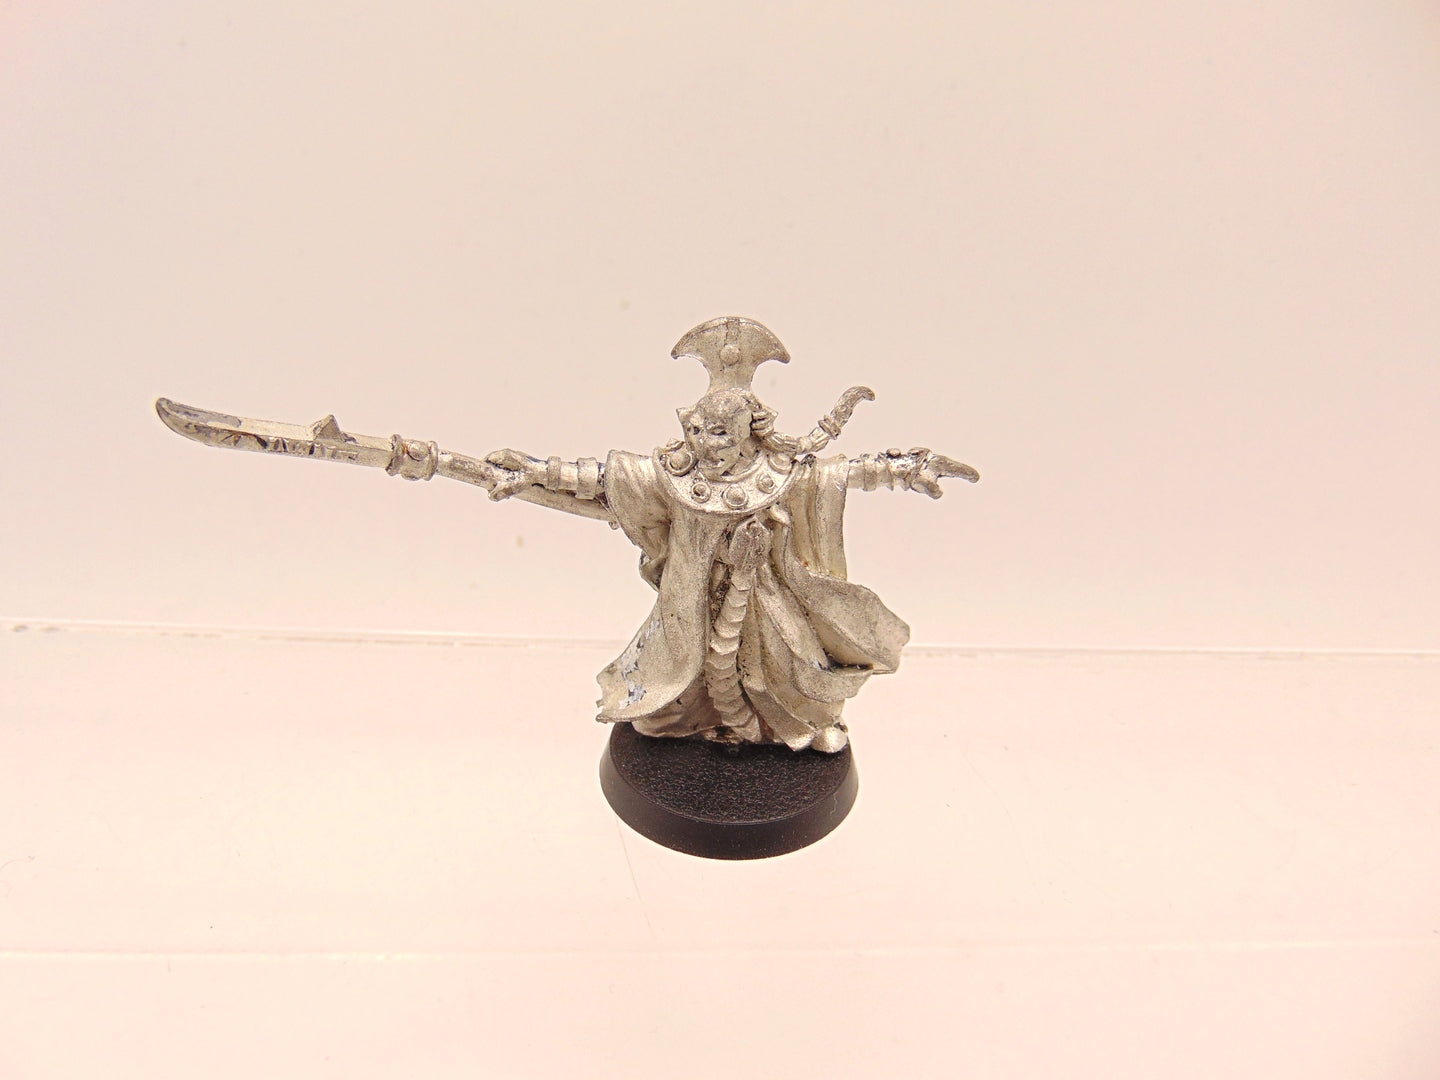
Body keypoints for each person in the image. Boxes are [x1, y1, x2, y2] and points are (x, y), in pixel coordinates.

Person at [483, 316, 978, 752]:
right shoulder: (676, 474)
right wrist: (535, 471)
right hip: (691, 599)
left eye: (721, 433)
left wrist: (906, 469)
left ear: (748, 432)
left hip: (765, 597)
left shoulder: (776, 473)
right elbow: (603, 479)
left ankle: (805, 724)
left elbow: (840, 474)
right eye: (698, 431)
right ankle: (693, 718)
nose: (706, 444)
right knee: (670, 696)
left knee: (786, 668)